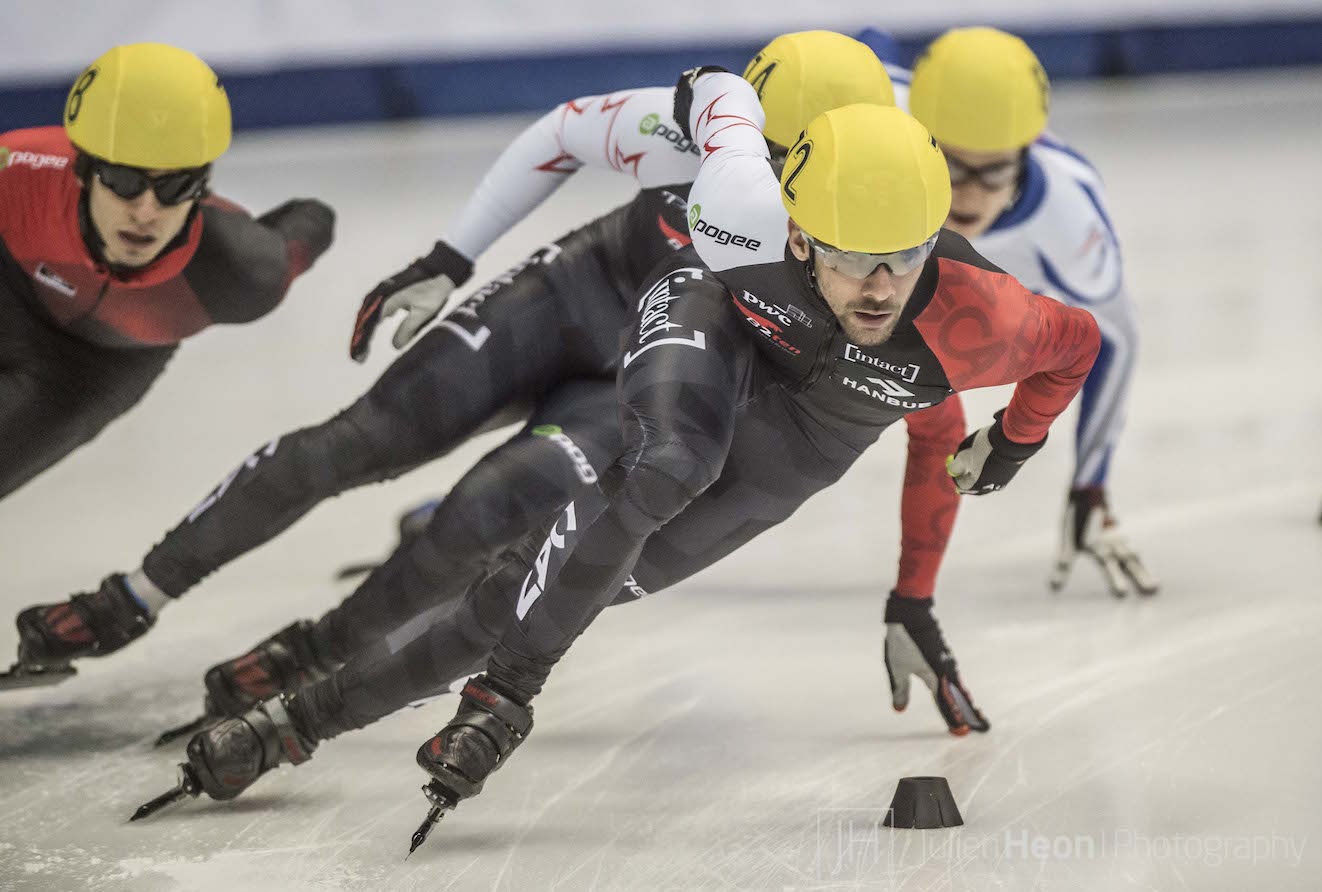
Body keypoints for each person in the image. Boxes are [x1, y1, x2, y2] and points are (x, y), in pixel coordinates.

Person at [168, 71, 1099, 812]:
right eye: (853, 255)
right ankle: (504, 696)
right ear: (799, 229)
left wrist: (1011, 445)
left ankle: (297, 724)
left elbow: (1076, 351)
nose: (879, 289)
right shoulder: (743, 206)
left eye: (905, 257)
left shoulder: (988, 321)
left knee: (543, 584)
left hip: (805, 435)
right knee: (667, 466)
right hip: (717, 312)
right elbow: (716, 93)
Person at [15, 34, 972, 726]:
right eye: (762, 163)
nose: (772, 201)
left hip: (652, 371)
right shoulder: (699, 136)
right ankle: (130, 597)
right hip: (586, 290)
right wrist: (448, 254)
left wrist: (914, 593)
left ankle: (316, 650)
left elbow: (931, 404)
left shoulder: (877, 214)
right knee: (358, 442)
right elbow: (560, 134)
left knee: (485, 510)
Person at [0, 43, 333, 674]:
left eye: (175, 184)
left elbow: (311, 222)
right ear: (81, 168)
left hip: (88, 372)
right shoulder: (18, 166)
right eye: (124, 180)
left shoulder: (238, 271)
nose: (146, 210)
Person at [861, 26, 1158, 599]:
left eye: (992, 172)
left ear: (1028, 150)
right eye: (951, 164)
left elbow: (1115, 340)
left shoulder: (1070, 222)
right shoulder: (877, 127)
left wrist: (1089, 485)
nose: (969, 196)